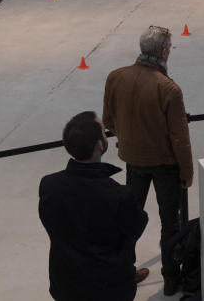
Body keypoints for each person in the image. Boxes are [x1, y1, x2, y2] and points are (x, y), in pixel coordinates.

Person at [102, 25, 194, 294]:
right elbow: (179, 136)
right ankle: (170, 278)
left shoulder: (115, 77)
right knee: (170, 223)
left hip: (133, 160)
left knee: (130, 218)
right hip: (165, 166)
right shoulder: (169, 89)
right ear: (164, 51)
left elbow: (108, 119)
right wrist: (187, 171)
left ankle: (124, 271)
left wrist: (128, 138)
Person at [38, 111, 149, 301]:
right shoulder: (119, 196)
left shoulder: (49, 185)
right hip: (108, 288)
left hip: (66, 284)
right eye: (104, 132)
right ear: (100, 144)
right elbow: (136, 227)